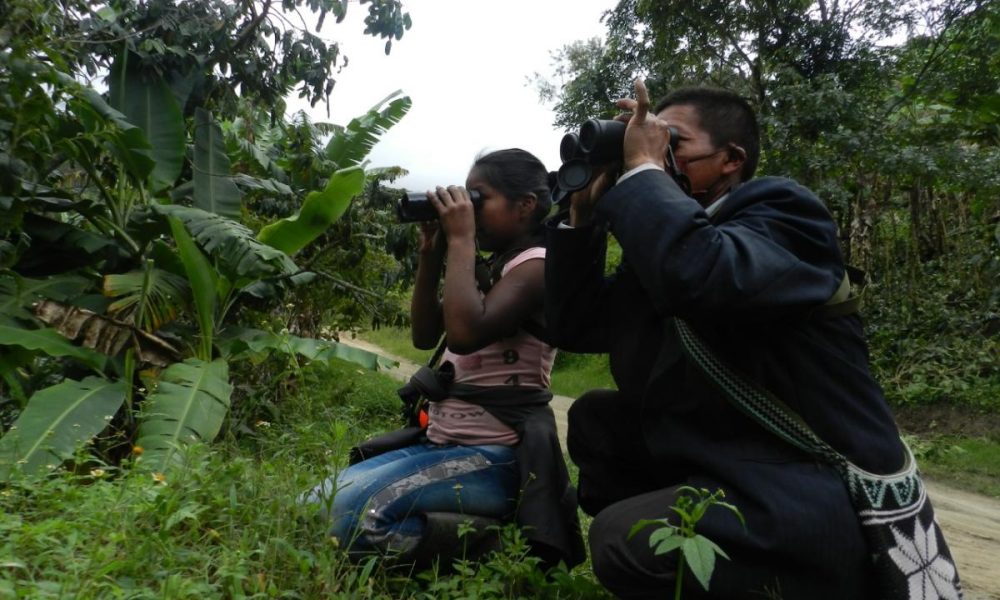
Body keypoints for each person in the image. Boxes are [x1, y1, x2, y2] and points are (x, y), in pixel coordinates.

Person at [544, 80, 921, 598]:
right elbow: (576, 326)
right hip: (727, 457)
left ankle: (810, 576)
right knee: (598, 419)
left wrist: (647, 173)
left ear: (731, 159)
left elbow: (702, 274)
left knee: (621, 539)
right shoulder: (668, 246)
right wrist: (581, 217)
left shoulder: (784, 213)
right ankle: (692, 574)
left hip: (808, 479)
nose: (651, 154)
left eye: (670, 143)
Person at [304, 148, 584, 570]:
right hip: (440, 444)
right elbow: (423, 336)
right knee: (311, 506)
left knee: (350, 522)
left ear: (525, 205)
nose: (469, 210)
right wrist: (431, 253)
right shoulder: (491, 265)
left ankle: (495, 546)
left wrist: (460, 240)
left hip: (497, 457)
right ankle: (456, 524)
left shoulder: (537, 266)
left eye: (478, 199)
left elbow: (465, 333)